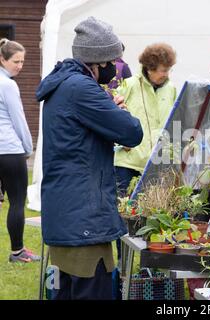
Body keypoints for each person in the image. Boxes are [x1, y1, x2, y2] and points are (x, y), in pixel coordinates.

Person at [36, 16, 143, 300]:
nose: (115, 69)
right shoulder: (82, 89)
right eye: (113, 62)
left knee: (61, 291)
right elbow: (132, 132)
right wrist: (115, 110)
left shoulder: (63, 85)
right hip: (84, 221)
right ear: (98, 62)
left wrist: (105, 107)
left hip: (65, 217)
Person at [114, 42, 177, 197]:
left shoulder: (171, 90)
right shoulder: (130, 85)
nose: (166, 74)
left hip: (155, 164)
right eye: (163, 70)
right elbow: (113, 116)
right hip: (127, 164)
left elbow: (174, 122)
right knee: (124, 212)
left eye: (168, 70)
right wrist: (120, 143)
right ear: (150, 69)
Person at [0, 38, 39, 263]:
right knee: (16, 202)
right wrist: (28, 148)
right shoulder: (8, 85)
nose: (20, 66)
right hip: (10, 151)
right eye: (16, 61)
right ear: (2, 59)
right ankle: (17, 251)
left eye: (23, 61)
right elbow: (19, 120)